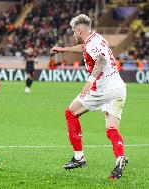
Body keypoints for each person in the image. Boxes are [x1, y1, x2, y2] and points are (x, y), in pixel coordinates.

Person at [51, 14, 127, 180]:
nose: (73, 34)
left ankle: (79, 158)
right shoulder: (96, 38)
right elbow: (85, 48)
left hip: (102, 89)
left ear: (79, 30)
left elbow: (100, 61)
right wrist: (63, 50)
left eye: (73, 31)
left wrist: (89, 82)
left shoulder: (92, 43)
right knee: (112, 129)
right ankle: (120, 158)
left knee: (70, 113)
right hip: (119, 88)